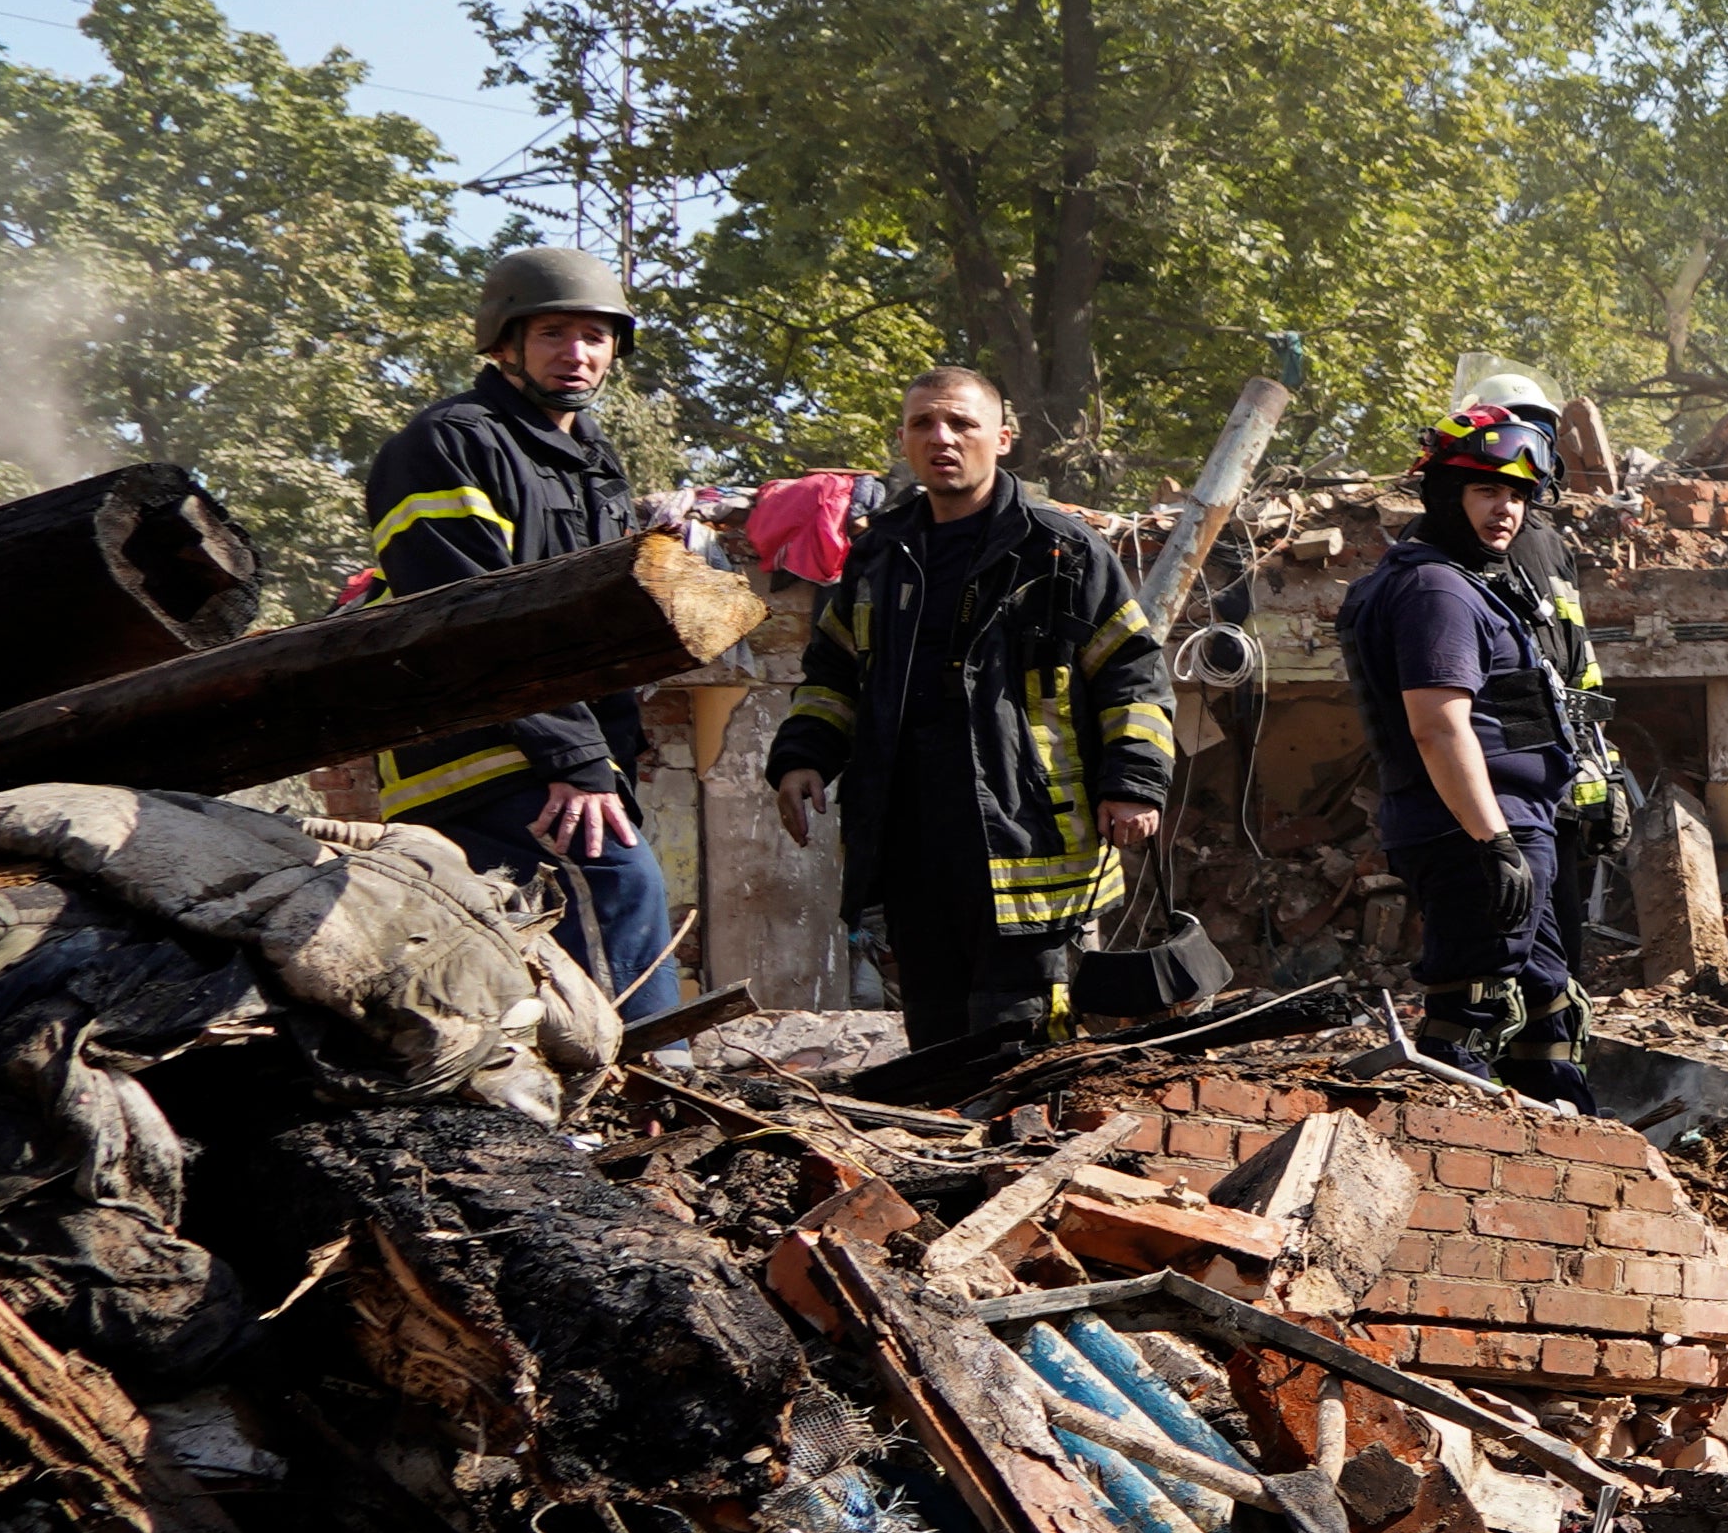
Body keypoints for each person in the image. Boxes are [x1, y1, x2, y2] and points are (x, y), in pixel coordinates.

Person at [767, 366, 1170, 1049]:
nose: (941, 437)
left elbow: (1133, 673)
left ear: (1003, 438)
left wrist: (1132, 782)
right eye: (923, 423)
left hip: (1030, 848)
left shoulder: (1061, 552)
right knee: (939, 1048)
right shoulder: (877, 556)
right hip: (911, 848)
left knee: (1027, 1052)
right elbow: (832, 673)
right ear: (902, 439)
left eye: (961, 422)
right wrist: (803, 756)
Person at [366, 243, 681, 993]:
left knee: (522, 971)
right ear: (505, 342)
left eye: (595, 336)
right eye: (552, 333)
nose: (576, 353)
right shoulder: (448, 444)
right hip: (475, 755)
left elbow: (598, 633)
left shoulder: (594, 465)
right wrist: (574, 759)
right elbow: (472, 615)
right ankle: (655, 1095)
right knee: (619, 888)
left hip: (552, 754)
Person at [1337, 406, 1591, 1103]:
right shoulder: (1437, 590)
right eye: (1487, 491)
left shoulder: (1461, 581)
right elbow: (1439, 728)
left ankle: (1559, 1159)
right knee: (1477, 1010)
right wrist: (1494, 841)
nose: (1505, 509)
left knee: (1550, 1013)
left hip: (1504, 827)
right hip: (1476, 833)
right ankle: (1444, 1161)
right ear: (1446, 495)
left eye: (1517, 495)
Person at [1450, 358, 1629, 960]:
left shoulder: (1546, 541)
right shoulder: (1476, 544)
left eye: (1539, 440)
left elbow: (1575, 668)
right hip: (1518, 793)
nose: (1526, 457)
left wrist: (1604, 775)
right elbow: (1515, 680)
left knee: (1560, 959)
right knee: (1527, 960)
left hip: (1558, 784)